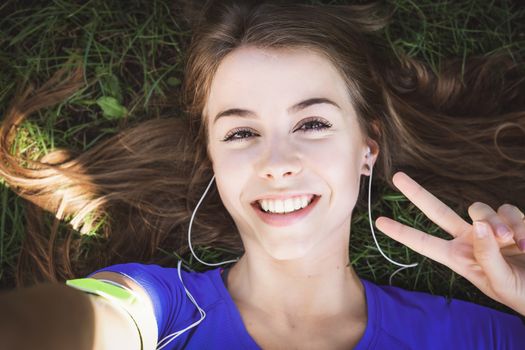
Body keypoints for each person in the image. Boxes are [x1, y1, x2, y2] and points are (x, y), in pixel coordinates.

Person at [0, 0, 524, 349]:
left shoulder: (476, 336)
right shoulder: (163, 314)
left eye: (313, 122)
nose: (277, 162)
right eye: (240, 133)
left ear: (367, 148)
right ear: (213, 161)